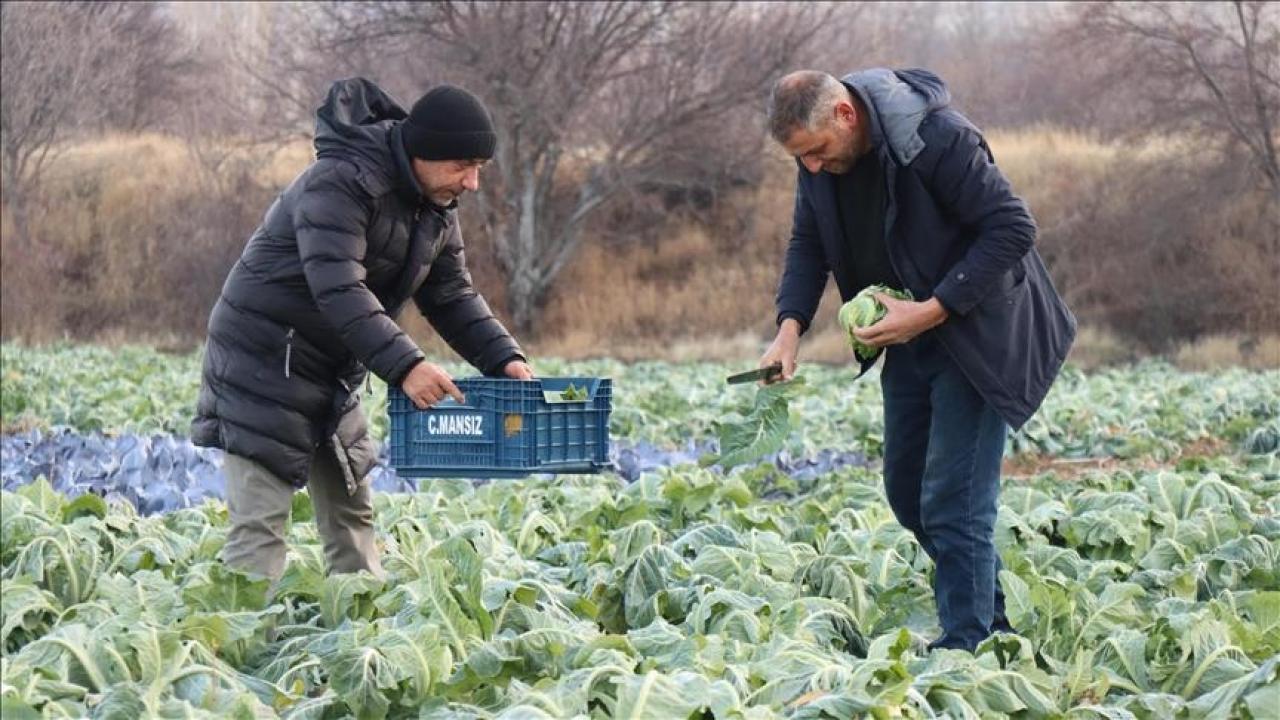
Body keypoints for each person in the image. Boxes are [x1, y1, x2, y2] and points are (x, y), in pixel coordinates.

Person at [760, 68, 1076, 651]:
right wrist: (789, 330)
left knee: (954, 501)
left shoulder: (938, 139)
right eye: (799, 158)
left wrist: (932, 308)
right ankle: (990, 619)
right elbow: (808, 243)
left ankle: (969, 646)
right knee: (908, 492)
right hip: (906, 336)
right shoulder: (821, 165)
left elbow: (1012, 228)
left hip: (977, 334)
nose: (809, 166)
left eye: (815, 152)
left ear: (845, 115)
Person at [192, 78, 532, 581]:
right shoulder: (340, 182)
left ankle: (356, 633)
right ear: (424, 152)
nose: (471, 183)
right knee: (261, 524)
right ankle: (241, 648)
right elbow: (338, 288)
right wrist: (408, 366)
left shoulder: (434, 208)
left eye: (478, 169)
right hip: (263, 361)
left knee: (352, 512)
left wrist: (505, 359)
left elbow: (452, 296)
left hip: (335, 365)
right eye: (462, 166)